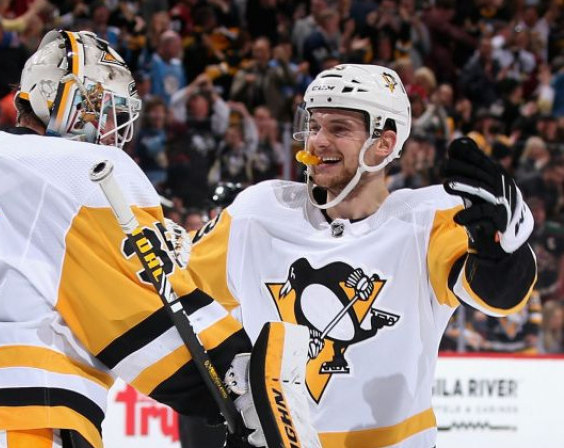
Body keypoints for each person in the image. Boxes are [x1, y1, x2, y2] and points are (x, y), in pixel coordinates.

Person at [0, 30, 319, 448]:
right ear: (63, 100)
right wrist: (239, 387)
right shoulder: (81, 168)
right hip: (13, 407)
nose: (111, 128)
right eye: (101, 108)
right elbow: (146, 300)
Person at [186, 64, 537, 447]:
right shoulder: (255, 214)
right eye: (315, 125)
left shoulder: (428, 221)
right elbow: (175, 296)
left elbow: (499, 296)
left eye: (339, 128)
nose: (317, 141)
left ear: (384, 143)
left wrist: (503, 250)